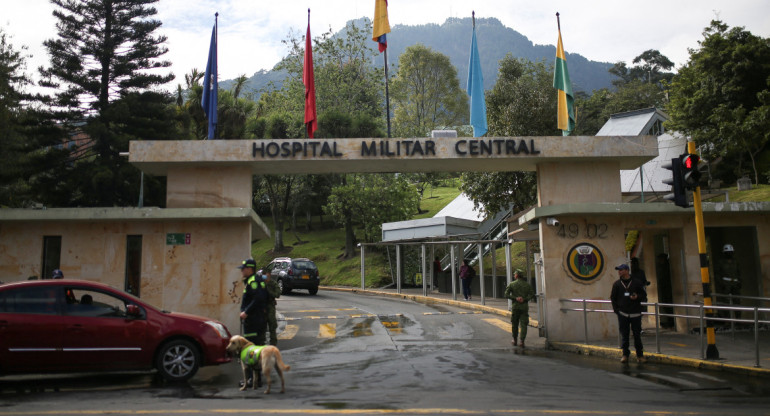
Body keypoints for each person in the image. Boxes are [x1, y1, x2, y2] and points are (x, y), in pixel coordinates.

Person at [610, 263, 647, 363]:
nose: (619, 272)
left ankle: (640, 355)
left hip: (635, 313)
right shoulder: (617, 284)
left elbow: (643, 295)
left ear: (627, 270)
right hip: (623, 313)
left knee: (637, 335)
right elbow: (613, 298)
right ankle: (625, 354)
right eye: (618, 270)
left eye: (621, 270)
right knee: (625, 336)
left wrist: (637, 297)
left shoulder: (636, 282)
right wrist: (616, 310)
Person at [239, 259, 268, 346]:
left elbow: (258, 298)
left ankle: (254, 360)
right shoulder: (254, 279)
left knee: (251, 345)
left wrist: (246, 312)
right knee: (257, 344)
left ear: (249, 269)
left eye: (243, 268)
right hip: (256, 318)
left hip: (253, 320)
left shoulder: (253, 281)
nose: (241, 270)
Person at [504, 269, 535, 348]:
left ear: (517, 275)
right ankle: (522, 341)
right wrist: (524, 299)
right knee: (523, 324)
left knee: (515, 324)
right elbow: (532, 294)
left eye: (515, 274)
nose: (514, 275)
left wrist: (515, 298)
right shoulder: (527, 285)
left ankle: (514, 340)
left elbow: (506, 294)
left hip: (515, 307)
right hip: (524, 307)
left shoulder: (512, 284)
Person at [715, 244, 741, 318]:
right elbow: (717, 274)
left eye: (731, 252)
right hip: (725, 283)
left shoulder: (735, 262)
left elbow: (739, 272)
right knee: (725, 302)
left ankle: (739, 320)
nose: (730, 254)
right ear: (724, 253)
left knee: (737, 302)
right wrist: (721, 284)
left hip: (735, 283)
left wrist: (740, 281)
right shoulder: (720, 262)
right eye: (728, 252)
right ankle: (727, 320)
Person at [262, 268, 281, 346]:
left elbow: (277, 294)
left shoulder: (272, 283)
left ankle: (273, 345)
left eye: (266, 274)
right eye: (264, 274)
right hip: (261, 307)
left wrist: (269, 291)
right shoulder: (259, 283)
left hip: (270, 306)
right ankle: (261, 345)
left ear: (269, 275)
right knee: (262, 327)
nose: (265, 276)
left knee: (272, 326)